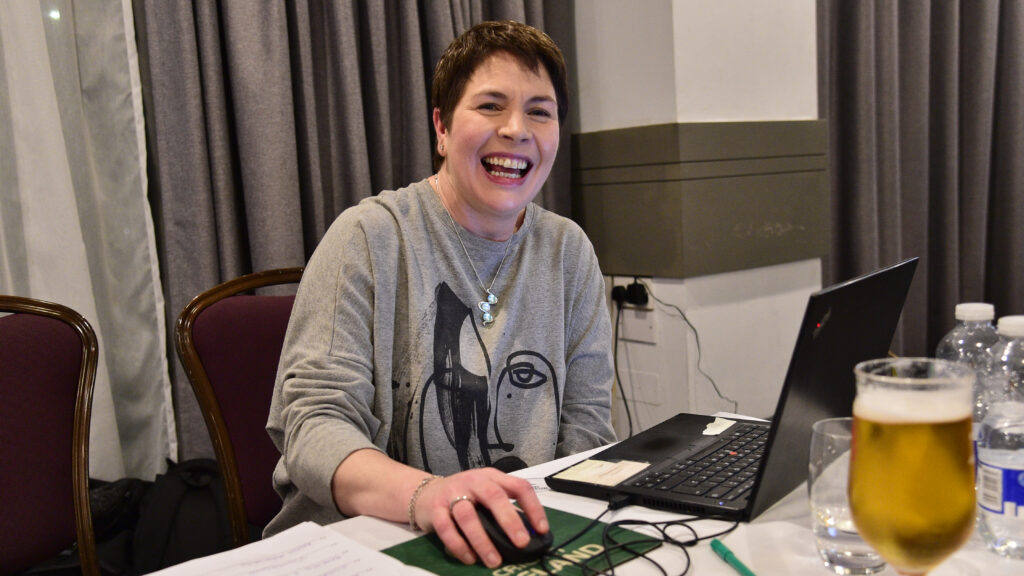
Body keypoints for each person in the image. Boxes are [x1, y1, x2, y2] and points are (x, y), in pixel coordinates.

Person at [264, 20, 616, 568]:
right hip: (363, 544)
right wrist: (427, 496)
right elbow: (312, 427)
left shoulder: (569, 251)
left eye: (539, 112)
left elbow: (587, 427)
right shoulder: (368, 237)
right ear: (442, 128)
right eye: (490, 106)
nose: (516, 129)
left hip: (514, 542)